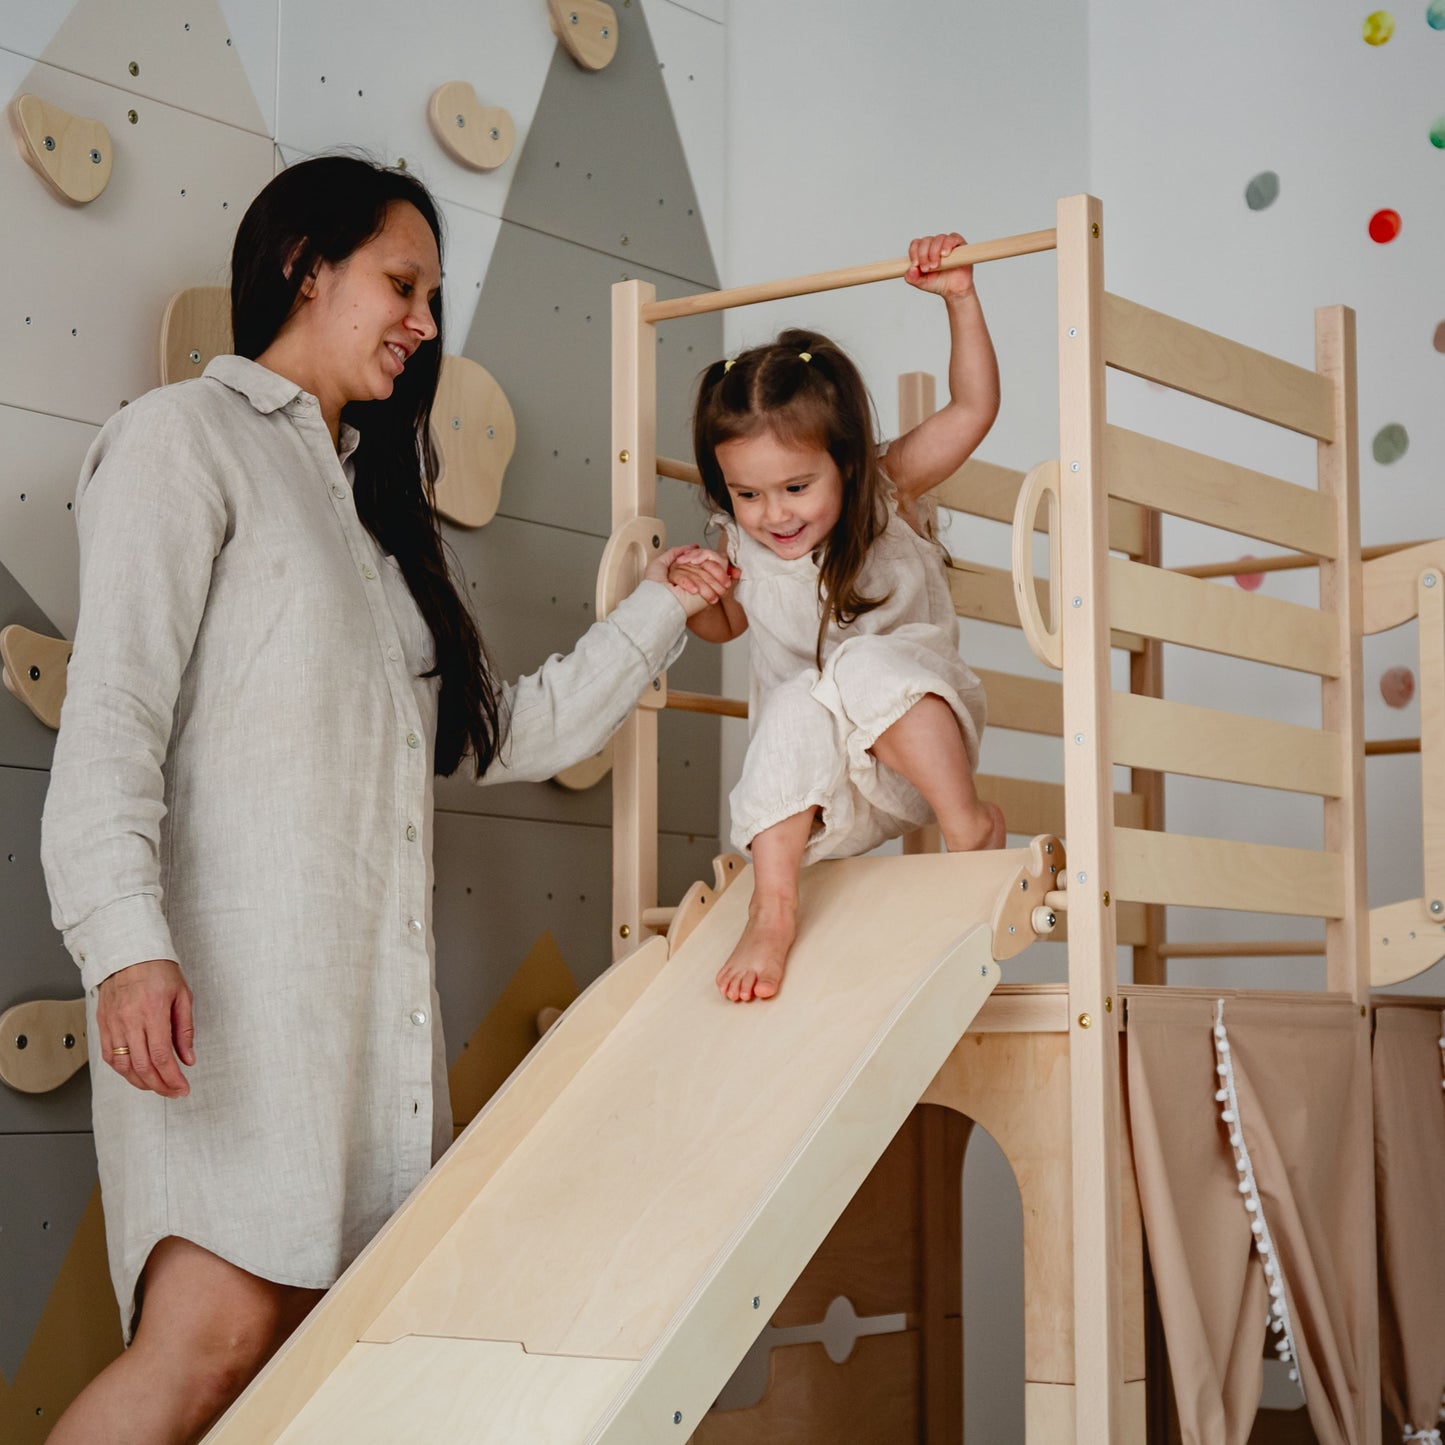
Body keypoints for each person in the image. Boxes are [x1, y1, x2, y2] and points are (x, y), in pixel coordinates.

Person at [39, 154, 732, 1445]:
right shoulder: (182, 439)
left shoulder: (372, 527)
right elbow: (114, 714)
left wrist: (663, 605)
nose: (423, 321)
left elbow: (498, 733)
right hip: (226, 1001)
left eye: (433, 296)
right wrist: (123, 945)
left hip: (363, 1021)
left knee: (317, 1371)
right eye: (402, 284)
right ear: (304, 266)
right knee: (209, 1344)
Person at [671, 231, 1004, 1005]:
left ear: (846, 463)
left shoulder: (882, 489)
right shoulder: (741, 546)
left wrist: (960, 299)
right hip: (823, 796)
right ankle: (772, 906)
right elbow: (723, 627)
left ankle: (969, 827)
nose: (773, 514)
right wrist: (691, 597)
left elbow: (973, 408)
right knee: (793, 701)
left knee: (857, 664)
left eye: (796, 487)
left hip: (915, 756)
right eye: (747, 494)